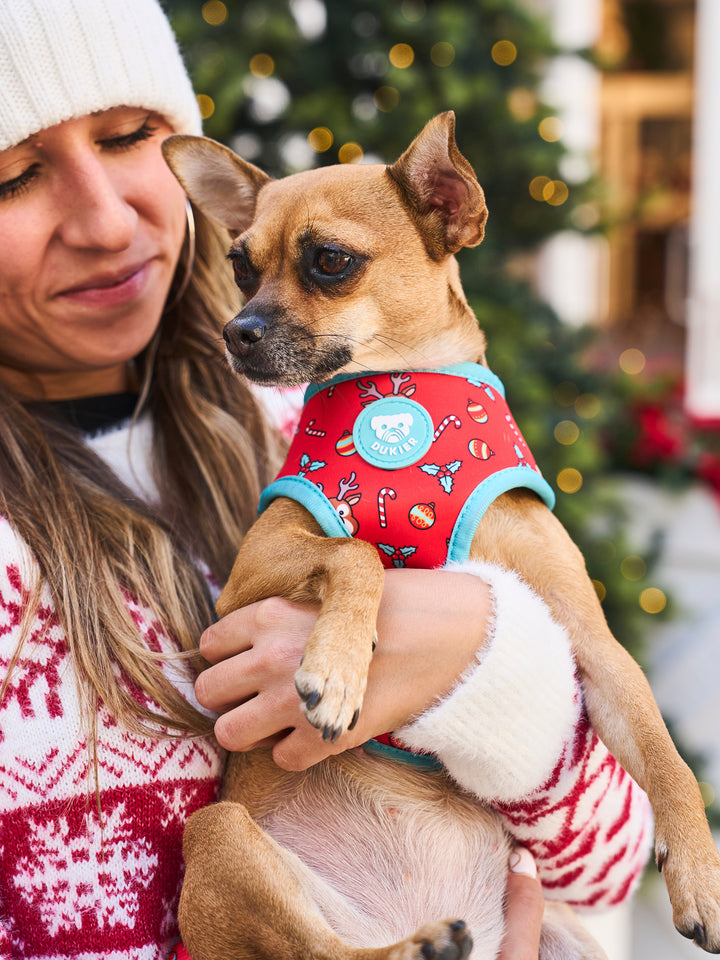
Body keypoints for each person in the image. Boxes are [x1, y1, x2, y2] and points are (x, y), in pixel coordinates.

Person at [0, 1, 652, 957]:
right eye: (12, 177)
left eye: (133, 135)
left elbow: (610, 866)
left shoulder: (352, 422)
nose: (106, 221)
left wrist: (491, 663)